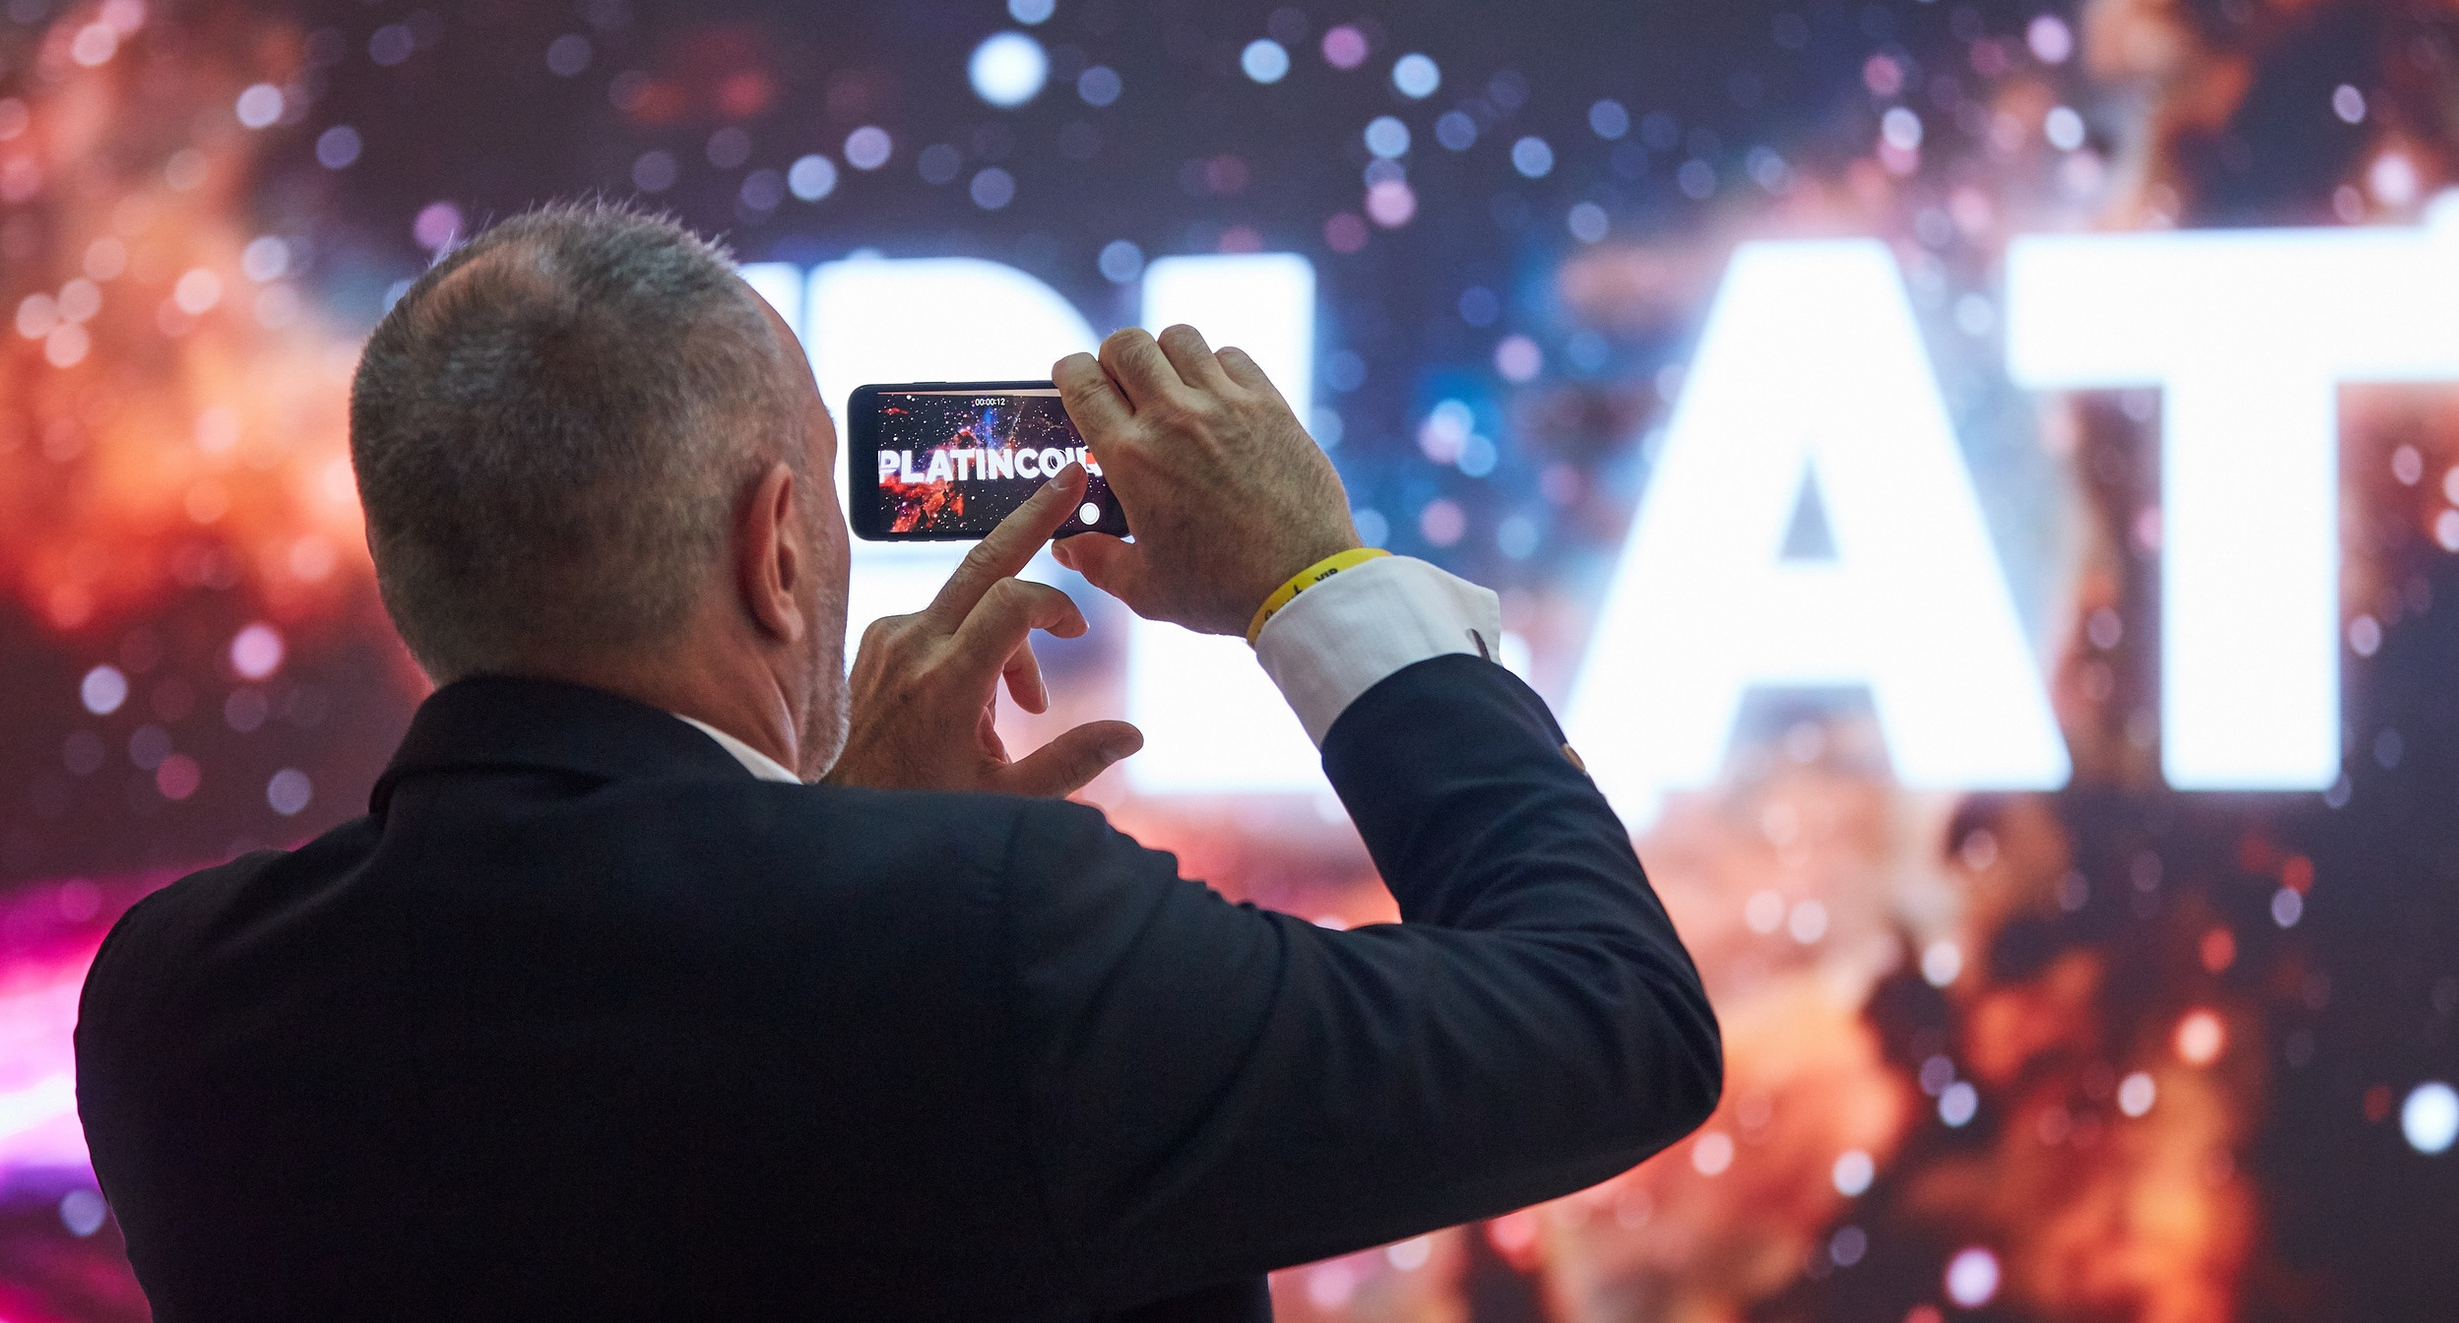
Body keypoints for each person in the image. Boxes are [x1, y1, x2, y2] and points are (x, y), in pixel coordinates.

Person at [75, 206, 1720, 1322]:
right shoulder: (1002, 941)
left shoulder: (172, 1005)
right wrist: (1314, 581)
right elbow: (1606, 1019)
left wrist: (842, 847)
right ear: (780, 549)